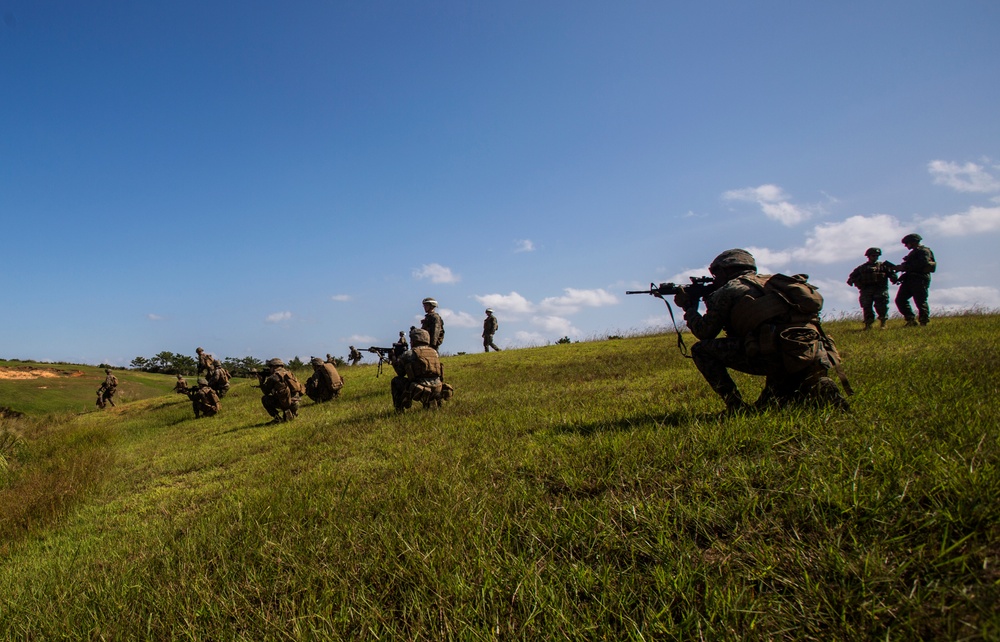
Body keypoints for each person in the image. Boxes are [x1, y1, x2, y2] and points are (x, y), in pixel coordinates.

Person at [673, 248, 849, 414]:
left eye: (716, 274)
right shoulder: (777, 282)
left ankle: (736, 406)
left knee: (701, 350)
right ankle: (817, 385)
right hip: (814, 354)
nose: (714, 278)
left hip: (774, 356)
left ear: (725, 271)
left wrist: (688, 307)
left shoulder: (729, 290)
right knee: (771, 406)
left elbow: (705, 332)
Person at [389, 327, 454, 412]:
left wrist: (393, 358)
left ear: (414, 340)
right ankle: (434, 403)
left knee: (395, 381)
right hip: (438, 388)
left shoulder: (409, 354)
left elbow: (400, 373)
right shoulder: (434, 352)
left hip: (419, 389)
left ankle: (399, 409)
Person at [846, 247, 896, 330]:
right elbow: (851, 277)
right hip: (866, 290)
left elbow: (892, 275)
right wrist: (853, 281)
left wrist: (894, 278)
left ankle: (883, 323)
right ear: (868, 256)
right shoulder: (861, 268)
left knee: (881, 307)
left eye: (877, 256)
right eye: (873, 256)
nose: (875, 257)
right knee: (867, 307)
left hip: (880, 289)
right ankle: (868, 325)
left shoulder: (883, 267)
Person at [894, 233, 936, 327]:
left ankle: (923, 322)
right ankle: (911, 320)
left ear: (913, 242)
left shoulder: (924, 251)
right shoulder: (915, 252)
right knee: (900, 300)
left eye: (907, 243)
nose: (906, 245)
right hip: (910, 279)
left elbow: (922, 264)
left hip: (919, 279)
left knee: (920, 301)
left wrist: (904, 267)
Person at [259, 358, 306, 424]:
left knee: (265, 399)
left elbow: (266, 392)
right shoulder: (290, 373)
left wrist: (261, 382)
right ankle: (292, 413)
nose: (270, 369)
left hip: (285, 402)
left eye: (270, 367)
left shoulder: (274, 377)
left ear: (274, 366)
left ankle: (277, 418)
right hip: (296, 402)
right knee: (288, 419)